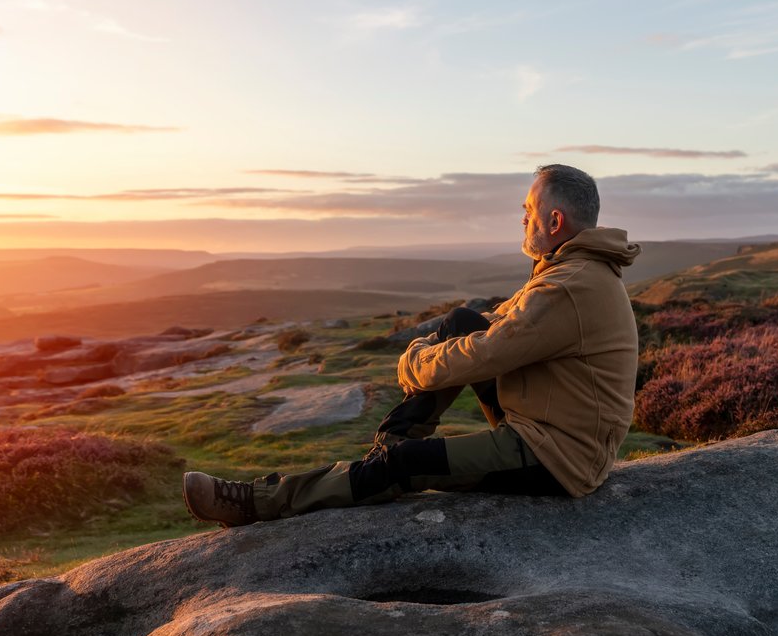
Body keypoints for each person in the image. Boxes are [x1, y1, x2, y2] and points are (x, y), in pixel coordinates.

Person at [182, 164, 642, 527]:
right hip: (544, 422)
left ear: (555, 220)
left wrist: (414, 363)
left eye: (529, 208)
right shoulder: (571, 269)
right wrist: (428, 350)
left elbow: (488, 352)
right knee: (462, 320)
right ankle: (382, 455)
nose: (523, 217)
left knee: (406, 463)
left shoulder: (569, 285)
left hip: (554, 457)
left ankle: (259, 501)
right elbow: (497, 325)